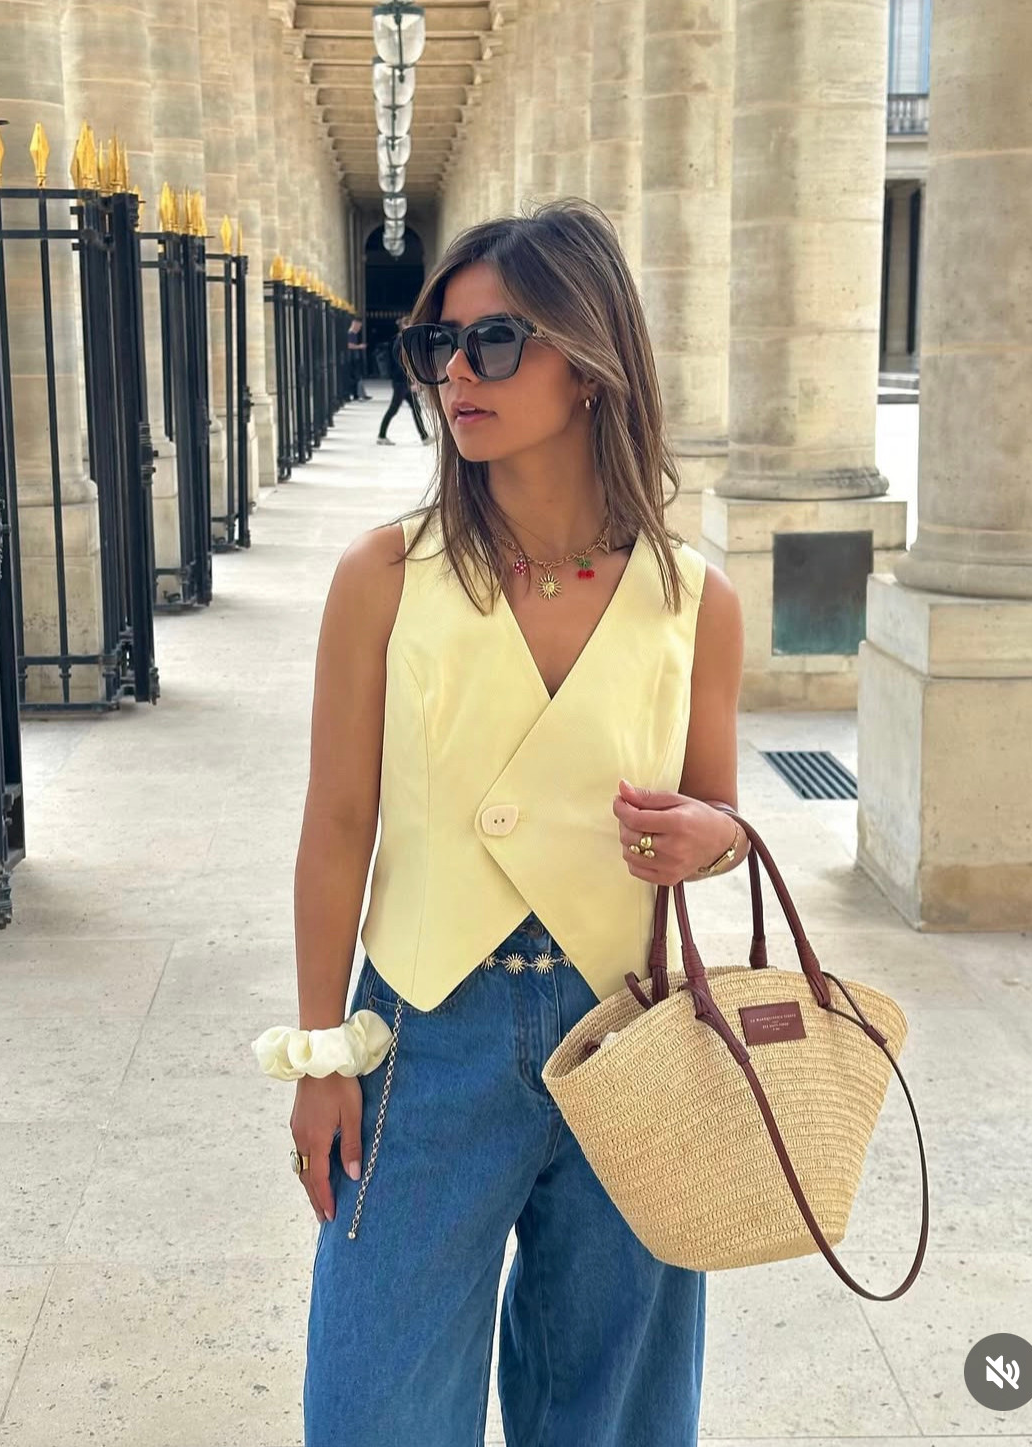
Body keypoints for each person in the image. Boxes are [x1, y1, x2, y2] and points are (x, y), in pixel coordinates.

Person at [275, 198, 749, 1446]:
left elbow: (723, 811)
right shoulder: (387, 575)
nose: (456, 375)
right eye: (438, 344)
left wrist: (713, 837)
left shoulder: (691, 598)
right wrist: (321, 1055)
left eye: (494, 342)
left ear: (589, 362)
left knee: (617, 1404)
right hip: (426, 1033)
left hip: (627, 1030)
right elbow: (337, 824)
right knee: (375, 1403)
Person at [377, 316, 431, 445]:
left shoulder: (401, 341)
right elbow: (402, 366)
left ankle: (424, 437)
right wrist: (411, 382)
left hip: (402, 381)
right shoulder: (401, 343)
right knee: (394, 408)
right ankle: (381, 436)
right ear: (404, 326)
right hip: (401, 382)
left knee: (416, 408)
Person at [346, 315, 370, 400]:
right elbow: (349, 345)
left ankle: (357, 394)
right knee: (356, 377)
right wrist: (359, 346)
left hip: (354, 358)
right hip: (352, 358)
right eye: (359, 326)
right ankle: (359, 394)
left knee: (356, 377)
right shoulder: (350, 334)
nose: (359, 328)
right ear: (354, 324)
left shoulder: (354, 334)